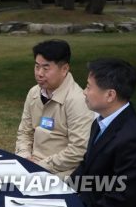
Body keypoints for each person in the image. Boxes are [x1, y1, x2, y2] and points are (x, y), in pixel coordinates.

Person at [71, 58, 136, 207]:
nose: (84, 91)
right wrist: (65, 190)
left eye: (89, 87)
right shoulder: (101, 120)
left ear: (110, 95)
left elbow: (121, 196)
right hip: (91, 203)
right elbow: (86, 166)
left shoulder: (133, 138)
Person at [15, 39, 95, 178]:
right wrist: (24, 155)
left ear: (64, 69)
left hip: (59, 173)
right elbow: (24, 131)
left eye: (46, 68)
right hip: (29, 164)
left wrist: (41, 166)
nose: (39, 73)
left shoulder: (77, 100)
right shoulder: (34, 92)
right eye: (37, 66)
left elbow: (78, 150)